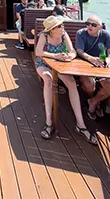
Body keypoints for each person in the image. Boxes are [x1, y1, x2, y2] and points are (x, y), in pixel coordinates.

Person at [35, 15, 97, 144]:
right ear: (51, 30)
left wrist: (70, 56)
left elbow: (72, 51)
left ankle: (80, 124)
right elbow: (38, 52)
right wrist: (55, 55)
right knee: (48, 79)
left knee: (72, 83)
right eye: (59, 26)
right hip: (44, 64)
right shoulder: (44, 35)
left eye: (62, 25)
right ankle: (48, 122)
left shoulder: (64, 35)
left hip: (60, 65)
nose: (62, 27)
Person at [76, 15, 110, 120]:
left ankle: (93, 101)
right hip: (85, 65)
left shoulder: (106, 35)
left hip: (102, 67)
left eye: (93, 25)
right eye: (87, 24)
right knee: (90, 85)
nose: (89, 26)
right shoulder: (81, 34)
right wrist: (91, 59)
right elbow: (80, 51)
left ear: (100, 27)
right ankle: (91, 99)